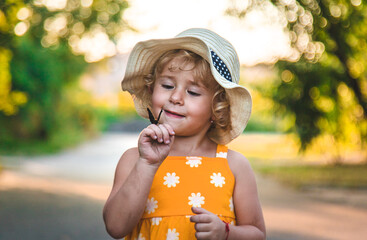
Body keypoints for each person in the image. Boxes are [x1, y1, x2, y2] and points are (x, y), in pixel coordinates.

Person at [103, 28, 266, 240]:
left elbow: (257, 234)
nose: (176, 97)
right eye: (167, 85)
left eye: (193, 92)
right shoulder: (135, 160)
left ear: (217, 108)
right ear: (151, 89)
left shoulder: (234, 165)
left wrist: (226, 233)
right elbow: (115, 227)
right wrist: (147, 165)